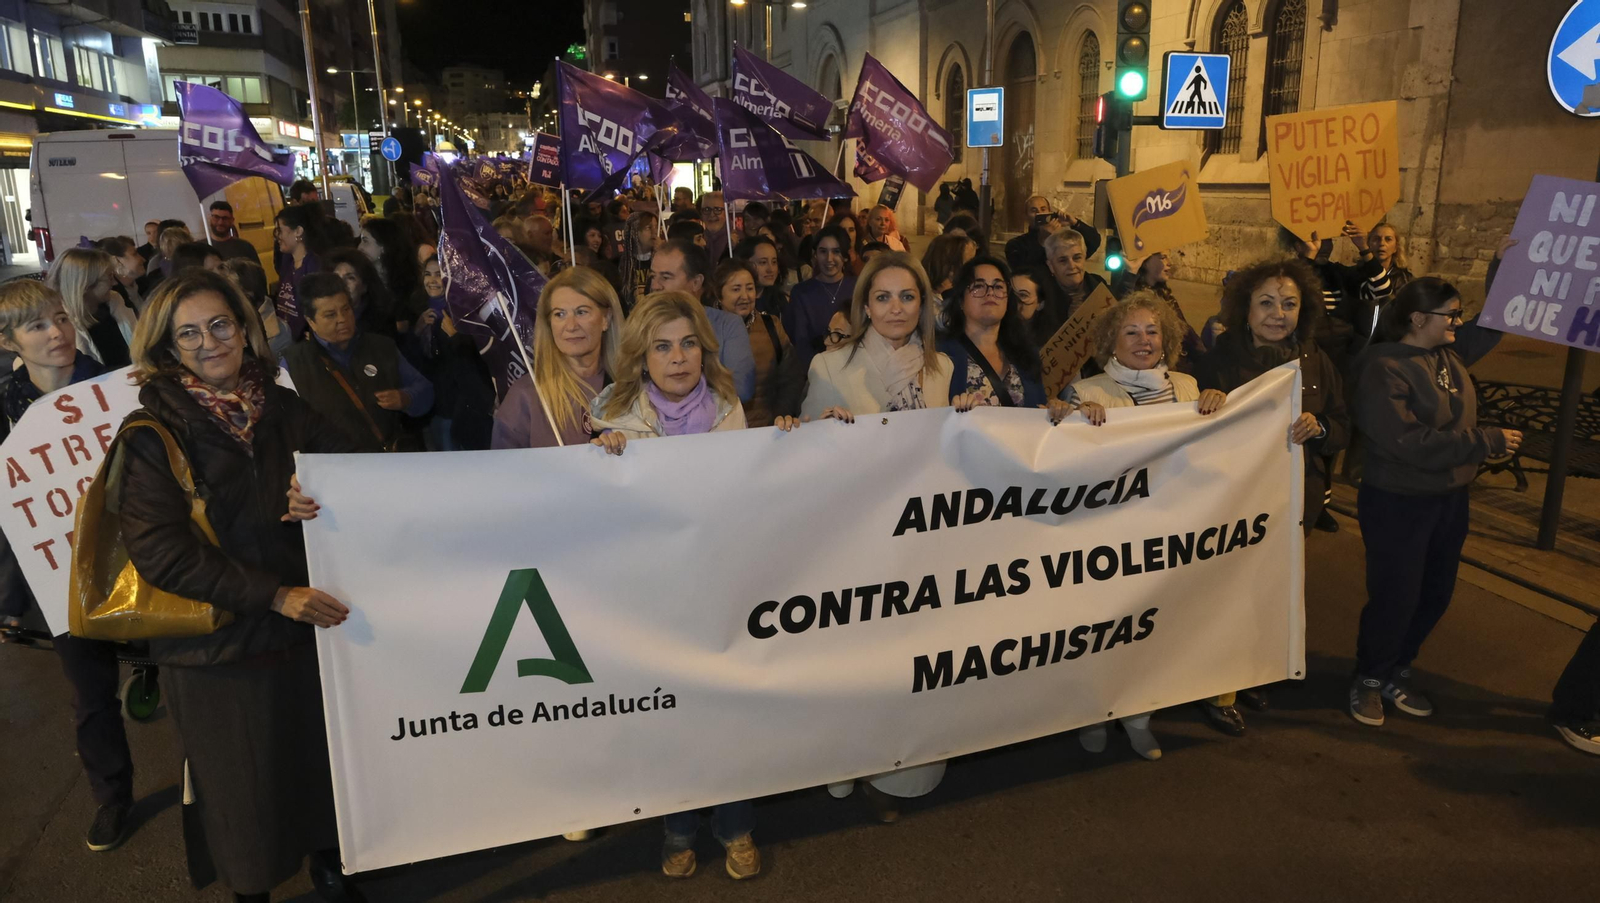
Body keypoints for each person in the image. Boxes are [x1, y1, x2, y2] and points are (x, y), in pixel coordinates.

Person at [118, 269, 363, 903]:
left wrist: (324, 495)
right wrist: (276, 596)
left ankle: (332, 867)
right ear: (168, 348)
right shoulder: (151, 435)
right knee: (242, 796)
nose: (209, 342)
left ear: (244, 326)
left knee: (319, 769)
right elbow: (162, 555)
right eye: (189, 332)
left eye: (220, 324)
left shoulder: (283, 407)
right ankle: (251, 892)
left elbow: (363, 471)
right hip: (216, 651)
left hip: (305, 635)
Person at [589, 291, 794, 877]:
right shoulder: (613, 419)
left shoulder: (728, 405)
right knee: (675, 714)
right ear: (640, 358)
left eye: (687, 344)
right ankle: (677, 828)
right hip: (656, 596)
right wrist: (605, 460)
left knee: (731, 709)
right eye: (662, 347)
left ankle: (736, 826)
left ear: (703, 350)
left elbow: (749, 491)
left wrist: (783, 441)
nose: (677, 358)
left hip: (724, 585)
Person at [0, 280, 137, 854]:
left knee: (190, 673)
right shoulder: (4, 408)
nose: (56, 332)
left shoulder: (116, 387)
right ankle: (111, 797)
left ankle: (212, 779)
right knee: (90, 693)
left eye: (59, 318)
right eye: (36, 326)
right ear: (9, 341)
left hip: (140, 560)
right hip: (59, 576)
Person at [1063, 292, 1228, 758]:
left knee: (1152, 633)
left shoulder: (1190, 387)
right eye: (1130, 331)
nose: (1143, 340)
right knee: (1104, 633)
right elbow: (1068, 463)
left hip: (1170, 535)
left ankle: (1139, 716)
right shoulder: (1089, 390)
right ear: (1111, 341)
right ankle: (1093, 714)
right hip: (1110, 539)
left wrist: (1222, 405)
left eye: (1152, 331)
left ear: (1168, 338)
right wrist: (1075, 422)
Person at [1346, 276, 1516, 728]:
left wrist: (1508, 265)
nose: (1458, 321)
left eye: (1459, 314)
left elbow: (1495, 321)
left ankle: (1397, 667)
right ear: (1419, 319)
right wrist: (1484, 442)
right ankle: (1368, 678)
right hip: (1398, 502)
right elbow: (1410, 442)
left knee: (1435, 593)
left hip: (1449, 499)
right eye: (1451, 314)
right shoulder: (1384, 368)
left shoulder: (1449, 353)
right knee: (1395, 595)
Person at [1194, 257, 1351, 731]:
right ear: (1245, 309)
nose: (1277, 313)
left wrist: (1320, 426)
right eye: (1266, 303)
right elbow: (1187, 432)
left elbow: (1343, 426)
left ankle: (1248, 674)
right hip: (1232, 505)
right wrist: (1208, 404)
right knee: (1223, 596)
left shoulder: (1316, 360)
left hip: (1292, 503)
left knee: (1267, 596)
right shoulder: (1217, 359)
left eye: (1288, 304)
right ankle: (1213, 688)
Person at [283, 273, 432, 452]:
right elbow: (287, 429)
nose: (342, 319)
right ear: (311, 322)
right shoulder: (293, 364)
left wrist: (406, 398)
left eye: (346, 309)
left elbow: (425, 390)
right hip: (334, 470)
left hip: (386, 463)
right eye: (330, 315)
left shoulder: (381, 347)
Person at [491, 267, 620, 450]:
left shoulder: (629, 388)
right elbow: (501, 472)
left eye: (581, 312)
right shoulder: (525, 396)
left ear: (606, 318)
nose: (571, 326)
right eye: (559, 314)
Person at [647, 239, 755, 402]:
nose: (655, 286)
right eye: (653, 276)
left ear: (696, 282)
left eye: (666, 277)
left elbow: (740, 389)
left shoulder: (727, 326)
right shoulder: (642, 326)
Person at [938, 256, 1049, 409]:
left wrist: (1054, 411)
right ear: (960, 301)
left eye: (998, 287)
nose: (990, 292)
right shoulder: (940, 353)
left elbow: (1039, 408)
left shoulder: (1025, 354)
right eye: (978, 286)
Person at [712, 259, 791, 428]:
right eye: (736, 289)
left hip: (768, 427)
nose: (745, 296)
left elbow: (790, 378)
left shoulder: (772, 325)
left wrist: (782, 415)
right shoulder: (707, 329)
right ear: (719, 294)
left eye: (750, 288)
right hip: (723, 428)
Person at [47, 248, 136, 369]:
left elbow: (139, 344)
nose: (114, 283)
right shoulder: (60, 326)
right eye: (109, 277)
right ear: (85, 285)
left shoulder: (116, 302)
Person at [783, 225, 856, 372]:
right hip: (815, 372)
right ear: (815, 255)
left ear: (846, 256)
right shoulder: (802, 292)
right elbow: (800, 342)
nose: (829, 259)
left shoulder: (858, 288)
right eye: (823, 251)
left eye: (836, 252)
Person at [1030, 228, 1108, 348]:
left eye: (1077, 258)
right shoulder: (1040, 297)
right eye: (1063, 260)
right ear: (1051, 266)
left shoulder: (1100, 287)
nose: (1072, 266)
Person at [1131, 252, 1203, 371]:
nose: (1169, 263)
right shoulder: (1135, 299)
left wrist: (1204, 357)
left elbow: (1185, 331)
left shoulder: (1166, 296)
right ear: (1145, 262)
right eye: (1163, 258)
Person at [1346, 221, 1414, 344]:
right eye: (1376, 239)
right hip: (1357, 344)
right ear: (1368, 244)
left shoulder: (1405, 280)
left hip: (1388, 344)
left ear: (1396, 247)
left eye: (1388, 239)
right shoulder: (1355, 274)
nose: (1381, 244)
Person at [272, 204, 328, 340]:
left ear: (298, 231)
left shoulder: (314, 267)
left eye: (280, 230)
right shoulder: (287, 263)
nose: (277, 236)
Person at [1005, 196, 1101, 272]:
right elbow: (1024, 271)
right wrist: (1042, 241)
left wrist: (1075, 223)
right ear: (1026, 216)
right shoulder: (1016, 244)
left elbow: (1094, 242)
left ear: (1049, 212)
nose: (1039, 213)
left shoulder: (1062, 242)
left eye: (1043, 209)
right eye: (1033, 210)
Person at [326, 248, 400, 340]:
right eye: (336, 277)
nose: (341, 283)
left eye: (350, 278)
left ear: (364, 286)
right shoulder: (322, 316)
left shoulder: (381, 322)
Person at [356, 217, 421, 311]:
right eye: (361, 241)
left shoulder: (405, 283)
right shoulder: (362, 277)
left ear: (383, 247)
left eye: (365, 241)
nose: (359, 247)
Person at [734, 235, 787, 318]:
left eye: (774, 262)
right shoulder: (734, 302)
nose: (770, 269)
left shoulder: (780, 301)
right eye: (763, 262)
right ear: (745, 263)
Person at [95, 235, 148, 314]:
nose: (143, 259)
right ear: (116, 261)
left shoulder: (145, 285)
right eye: (135, 254)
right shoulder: (111, 301)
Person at [699, 191, 731, 263]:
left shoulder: (737, 239)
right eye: (707, 209)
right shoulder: (698, 238)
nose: (712, 214)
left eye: (717, 210)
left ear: (726, 211)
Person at [829, 211, 863, 276]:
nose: (847, 234)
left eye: (851, 230)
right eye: (843, 230)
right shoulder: (828, 260)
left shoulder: (864, 258)